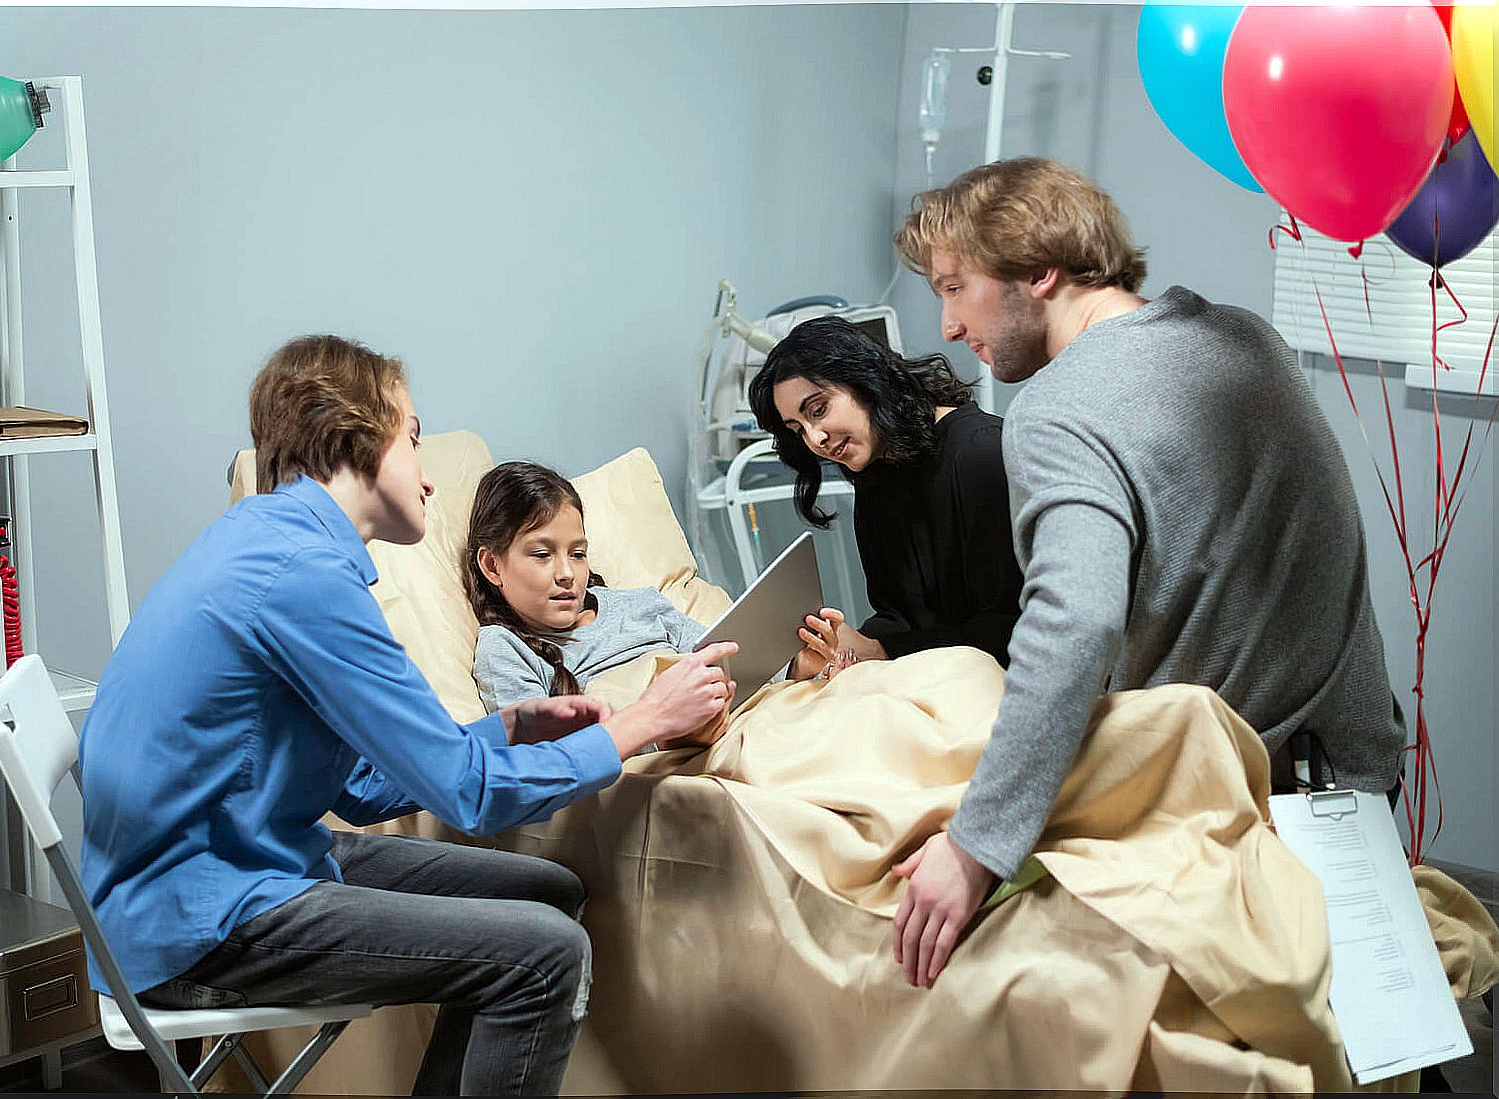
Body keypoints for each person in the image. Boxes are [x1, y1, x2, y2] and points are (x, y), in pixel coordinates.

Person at [78, 334, 737, 1096]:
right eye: (414, 440)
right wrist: (641, 721)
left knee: (548, 890)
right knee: (547, 953)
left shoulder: (269, 542)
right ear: (355, 438)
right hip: (200, 919)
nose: (429, 481)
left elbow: (358, 786)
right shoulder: (306, 576)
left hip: (234, 858)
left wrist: (510, 726)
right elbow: (469, 795)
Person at [883, 157, 1406, 989]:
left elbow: (1075, 621)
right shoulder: (1245, 337)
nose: (948, 325)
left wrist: (976, 843)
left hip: (1235, 803)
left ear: (1040, 271)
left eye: (955, 287)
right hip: (1356, 761)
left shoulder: (1059, 410)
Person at [747, 316, 1024, 673]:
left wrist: (881, 650)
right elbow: (899, 616)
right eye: (798, 429)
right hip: (939, 674)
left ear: (866, 382)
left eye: (819, 410)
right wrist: (846, 651)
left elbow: (1012, 627)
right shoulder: (878, 475)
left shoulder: (981, 454)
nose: (815, 440)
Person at [466, 461, 837, 708]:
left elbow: (731, 670)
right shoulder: (506, 648)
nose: (566, 573)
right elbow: (539, 762)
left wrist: (798, 670)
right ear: (492, 565)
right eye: (542, 555)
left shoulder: (641, 605)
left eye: (577, 554)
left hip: (737, 719)